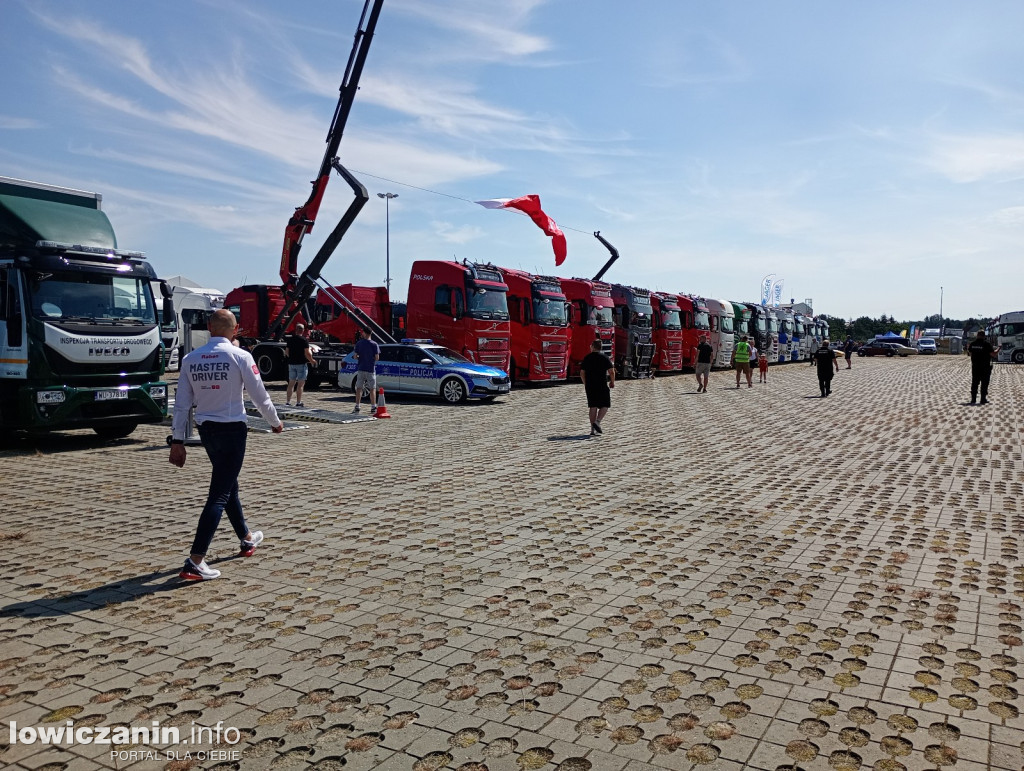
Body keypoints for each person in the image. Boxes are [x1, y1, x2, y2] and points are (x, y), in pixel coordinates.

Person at [170, 309, 283, 581]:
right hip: (232, 429)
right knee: (219, 493)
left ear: (210, 328)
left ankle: (246, 538)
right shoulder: (240, 356)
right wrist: (275, 422)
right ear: (235, 330)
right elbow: (260, 395)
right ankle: (195, 560)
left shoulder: (190, 359)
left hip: (206, 429)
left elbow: (182, 402)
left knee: (228, 484)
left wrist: (177, 439)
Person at [579, 339, 615, 435]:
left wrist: (585, 383)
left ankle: (592, 430)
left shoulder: (587, 358)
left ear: (593, 346)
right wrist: (612, 382)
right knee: (605, 404)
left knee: (593, 406)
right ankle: (597, 421)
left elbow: (582, 373)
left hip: (590, 385)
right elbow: (611, 371)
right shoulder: (604, 357)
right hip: (602, 384)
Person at [285, 323, 314, 407]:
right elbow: (307, 353)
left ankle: (288, 402)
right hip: (301, 364)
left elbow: (287, 352)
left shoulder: (290, 340)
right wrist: (312, 361)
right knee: (300, 384)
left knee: (291, 383)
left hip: (291, 364)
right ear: (303, 330)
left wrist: (292, 358)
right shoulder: (304, 340)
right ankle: (298, 402)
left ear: (296, 330)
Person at [966, 330, 998, 405]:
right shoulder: (986, 344)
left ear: (977, 335)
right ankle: (983, 399)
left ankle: (973, 399)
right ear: (984, 336)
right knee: (984, 383)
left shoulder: (973, 344)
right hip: (985, 367)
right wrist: (999, 348)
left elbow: (970, 353)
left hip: (975, 367)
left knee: (974, 383)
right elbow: (993, 354)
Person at [352, 327, 380, 414]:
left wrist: (360, 357)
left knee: (359, 388)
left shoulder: (359, 343)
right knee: (372, 388)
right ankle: (373, 406)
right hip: (370, 369)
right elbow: (377, 358)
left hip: (361, 368)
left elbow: (355, 356)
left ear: (364, 333)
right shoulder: (374, 344)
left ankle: (357, 406)